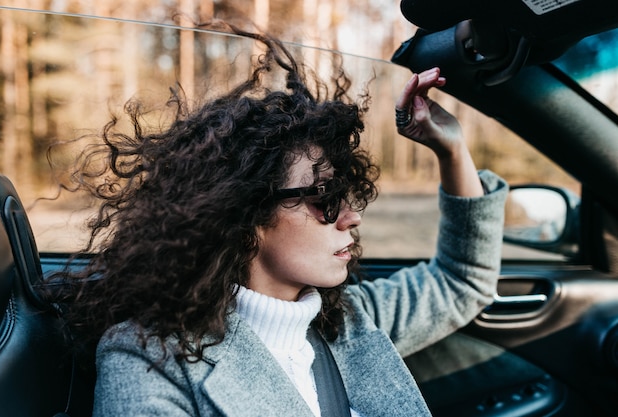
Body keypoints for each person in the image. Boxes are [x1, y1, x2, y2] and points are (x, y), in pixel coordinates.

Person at [54, 24, 508, 417]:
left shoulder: (348, 320)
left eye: (345, 196)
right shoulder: (148, 357)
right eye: (324, 198)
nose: (351, 217)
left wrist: (452, 149)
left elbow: (461, 282)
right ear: (243, 214)